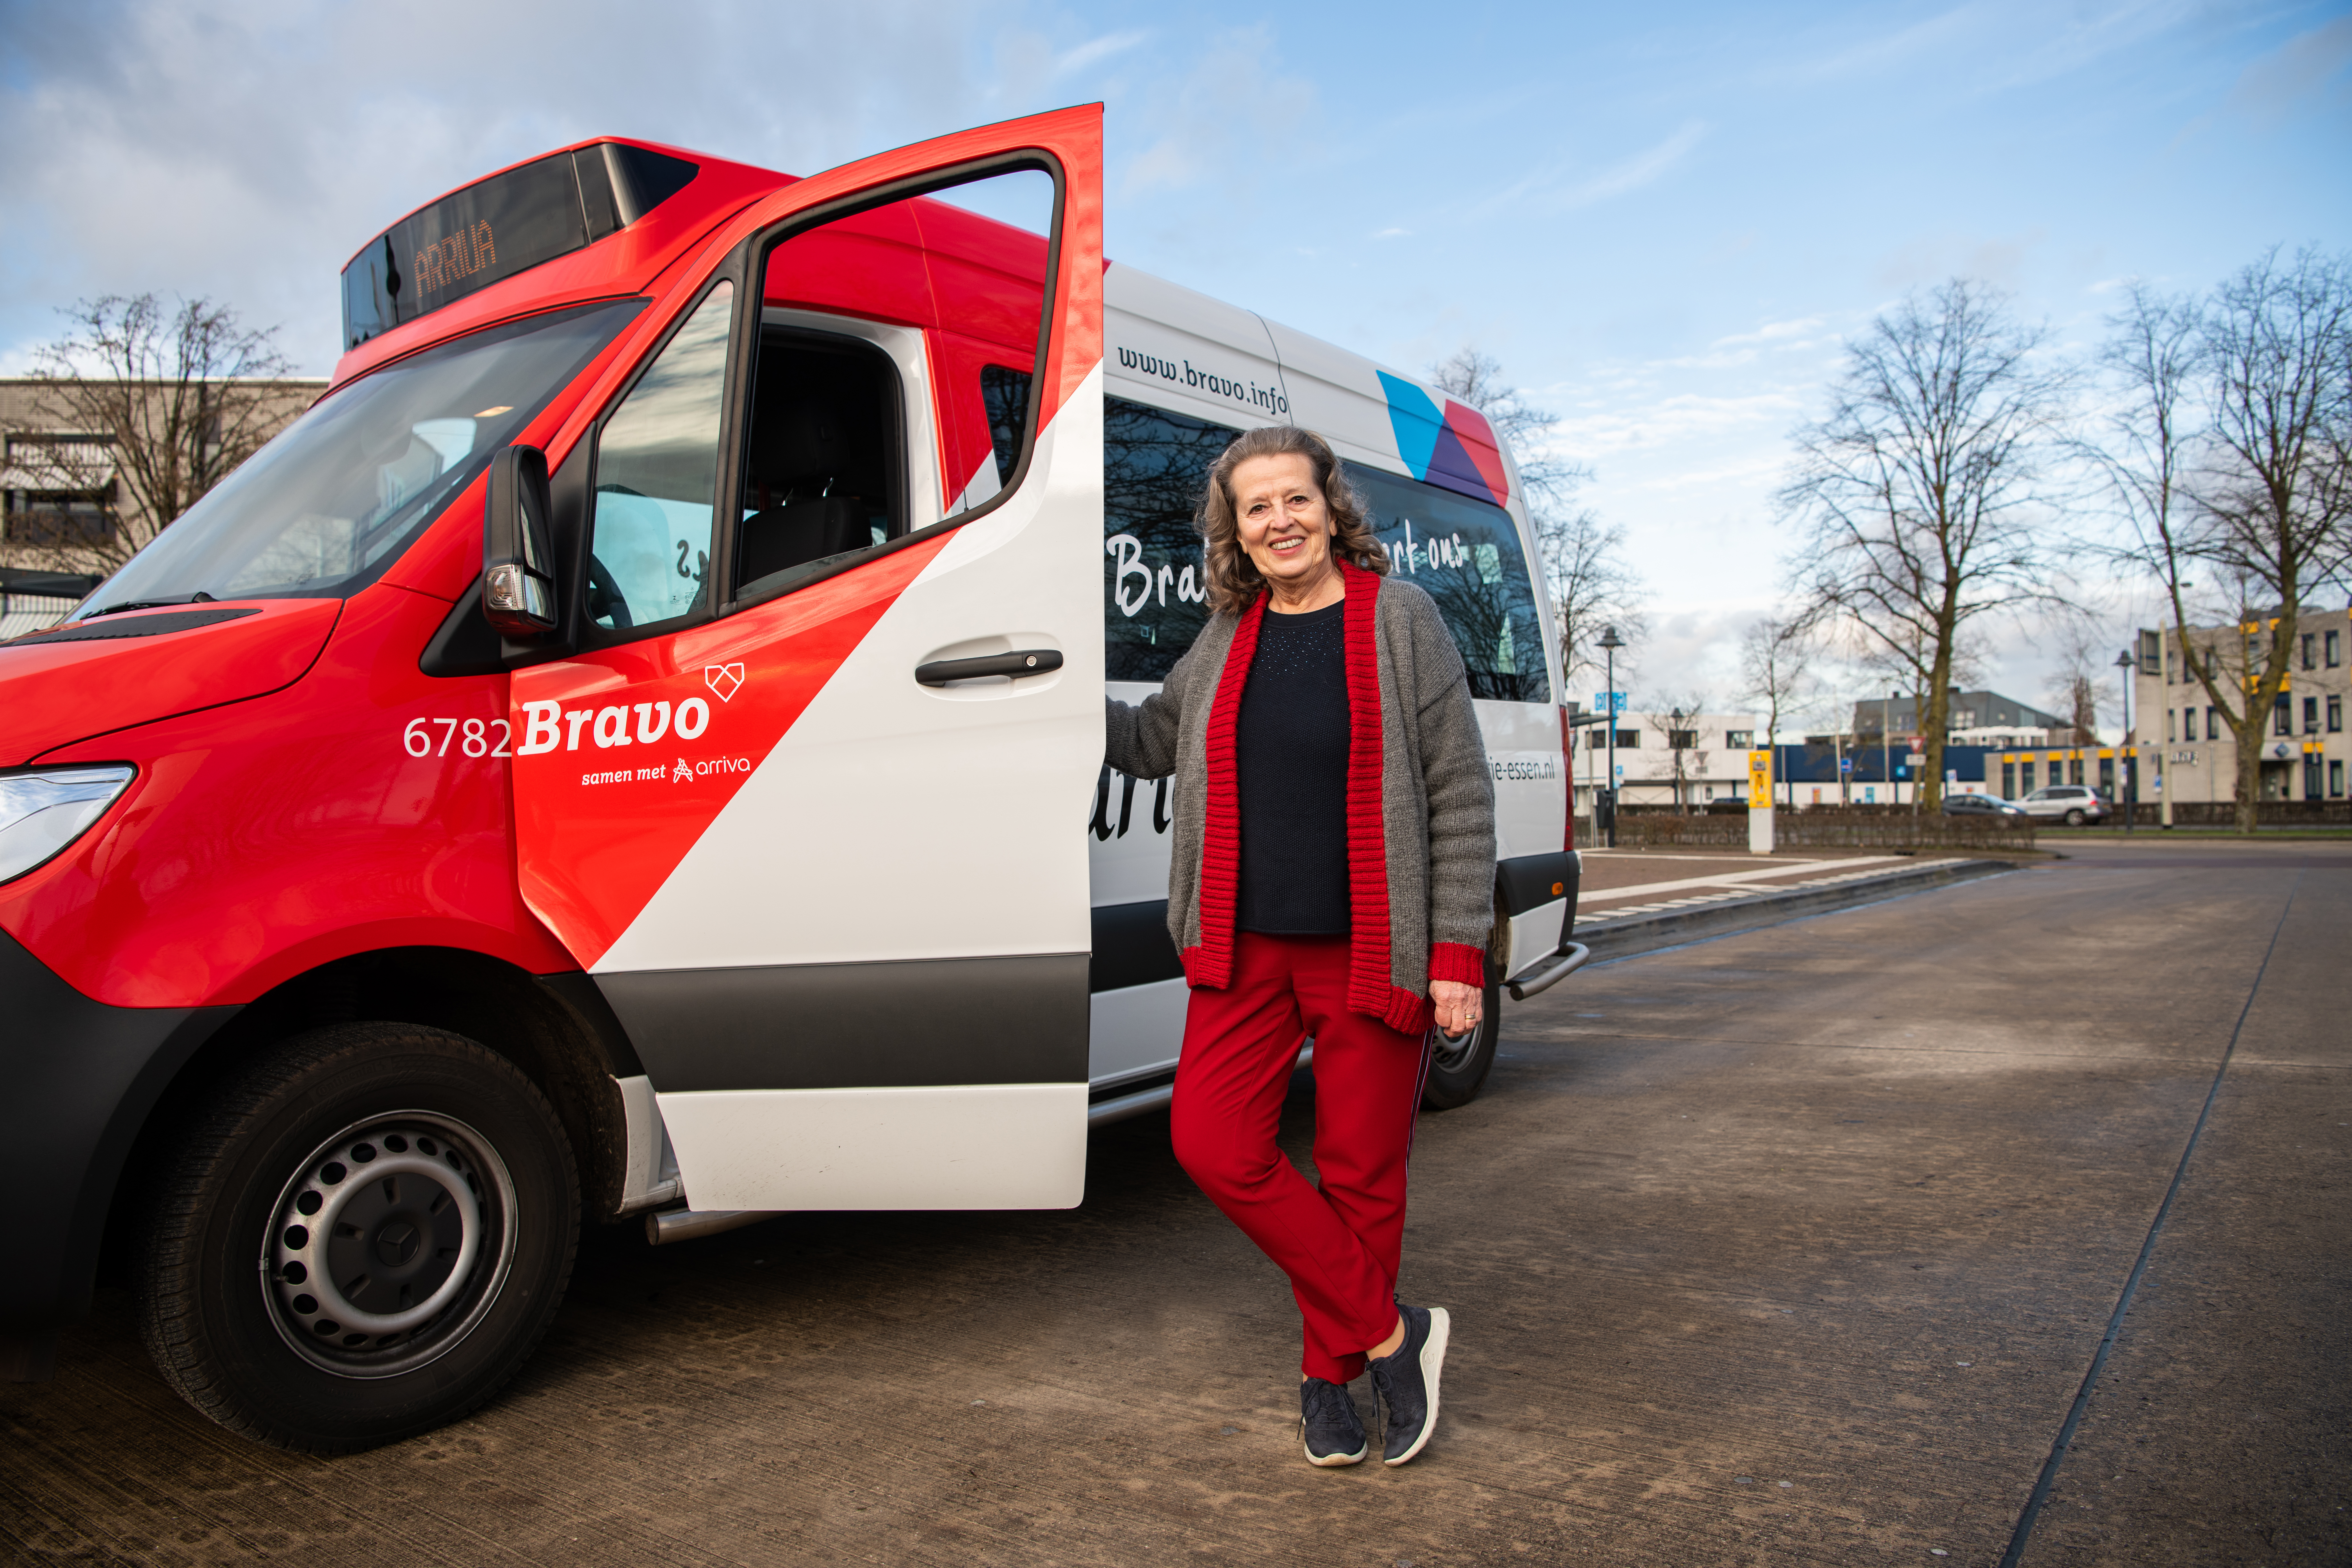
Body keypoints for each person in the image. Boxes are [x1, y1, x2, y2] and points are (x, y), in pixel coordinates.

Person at [1104, 425, 1495, 1468]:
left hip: (1371, 948)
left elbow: (1460, 790)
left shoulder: (1399, 618)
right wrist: (1047, 699)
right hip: (1245, 952)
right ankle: (1393, 1334)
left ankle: (1330, 1380)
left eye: (1295, 499)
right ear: (1234, 531)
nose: (1280, 521)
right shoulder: (1227, 634)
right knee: (1213, 1144)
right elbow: (1150, 740)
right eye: (1257, 507)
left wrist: (1457, 954)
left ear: (1331, 507)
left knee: (1362, 1175)